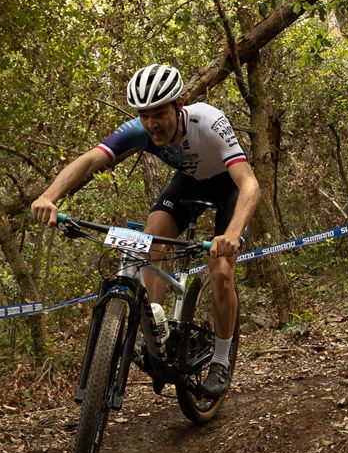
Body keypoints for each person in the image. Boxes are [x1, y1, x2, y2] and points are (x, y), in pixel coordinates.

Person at [31, 63, 260, 399]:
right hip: (189, 183)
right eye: (143, 115)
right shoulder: (139, 130)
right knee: (150, 241)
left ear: (179, 105)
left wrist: (231, 234)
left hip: (228, 188)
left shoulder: (208, 122)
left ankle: (222, 361)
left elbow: (249, 184)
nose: (151, 123)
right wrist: (49, 196)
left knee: (221, 271)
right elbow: (90, 159)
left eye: (158, 114)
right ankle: (158, 331)